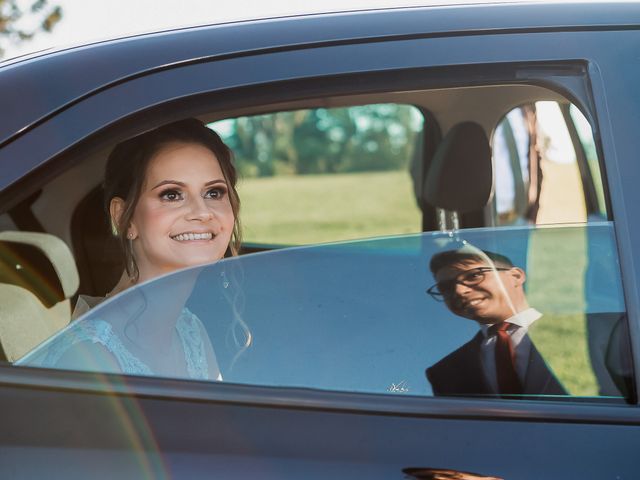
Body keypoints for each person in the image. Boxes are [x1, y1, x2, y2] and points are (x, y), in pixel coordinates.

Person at [18, 119, 243, 381]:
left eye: (214, 192)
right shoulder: (88, 359)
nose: (202, 212)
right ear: (123, 217)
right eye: (171, 195)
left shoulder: (191, 331)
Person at [425, 248, 566, 397]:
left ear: (516, 276)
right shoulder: (444, 372)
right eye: (445, 288)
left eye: (473, 276)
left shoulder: (589, 330)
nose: (459, 291)